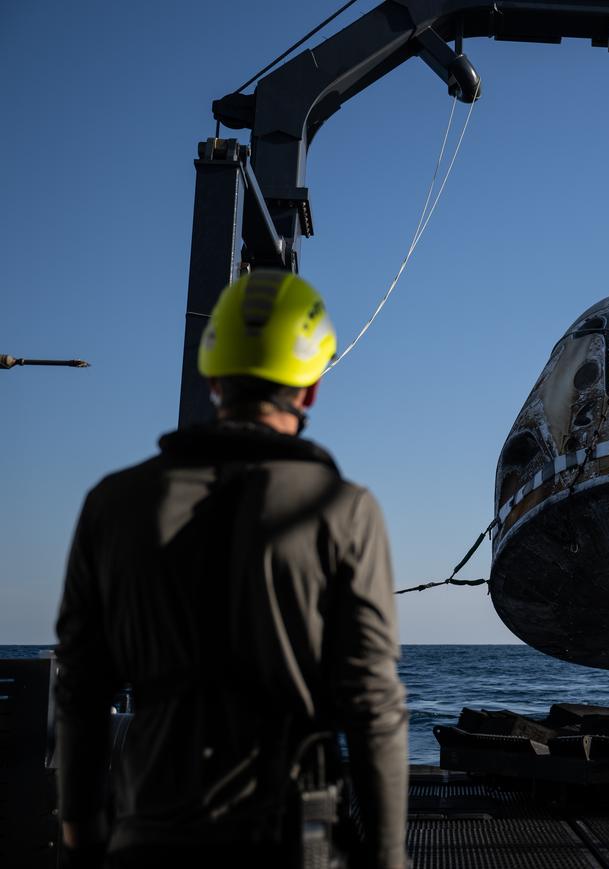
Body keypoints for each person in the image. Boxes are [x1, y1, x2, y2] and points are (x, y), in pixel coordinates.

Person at [55, 271, 408, 868]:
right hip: (290, 842)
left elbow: (81, 690)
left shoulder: (112, 503)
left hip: (147, 835)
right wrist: (387, 858)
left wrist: (82, 835)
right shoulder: (345, 511)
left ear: (213, 378)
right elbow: (372, 704)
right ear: (311, 388)